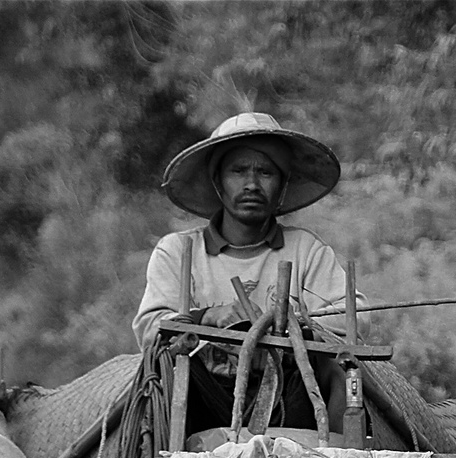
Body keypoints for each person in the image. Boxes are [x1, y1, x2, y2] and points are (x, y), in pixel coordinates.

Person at [133, 112, 356, 353]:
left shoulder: (306, 250)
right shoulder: (177, 251)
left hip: (290, 379)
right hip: (195, 383)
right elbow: (149, 328)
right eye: (238, 171)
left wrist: (290, 326)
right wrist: (207, 316)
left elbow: (353, 317)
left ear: (282, 185)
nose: (252, 184)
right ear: (217, 182)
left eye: (265, 173)